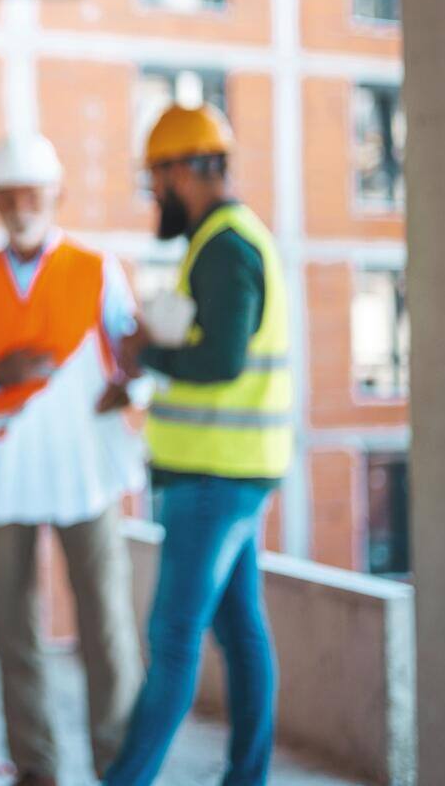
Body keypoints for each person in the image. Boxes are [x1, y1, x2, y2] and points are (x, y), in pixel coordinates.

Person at [0, 133, 146, 785]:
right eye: (11, 194)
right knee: (12, 628)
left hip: (83, 468)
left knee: (106, 625)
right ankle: (37, 769)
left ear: (55, 195)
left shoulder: (97, 268)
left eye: (35, 192)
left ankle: (120, 765)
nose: (23, 203)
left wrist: (130, 386)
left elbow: (133, 356)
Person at [104, 103, 291, 786]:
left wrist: (146, 351)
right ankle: (248, 778)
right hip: (229, 473)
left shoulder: (225, 246)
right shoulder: (225, 240)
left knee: (175, 641)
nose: (156, 191)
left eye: (158, 176)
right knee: (241, 634)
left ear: (186, 167)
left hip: (215, 478)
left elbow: (221, 361)